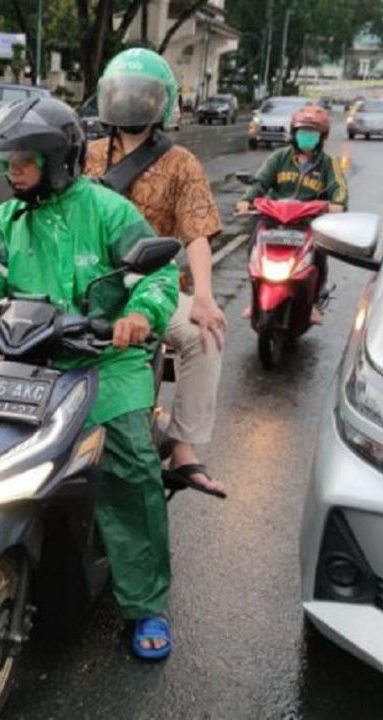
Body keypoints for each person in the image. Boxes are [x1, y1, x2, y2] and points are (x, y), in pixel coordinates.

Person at [0, 97, 180, 660]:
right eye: (7, 160)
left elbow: (159, 276)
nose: (10, 170)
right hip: (26, 359)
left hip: (103, 361)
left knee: (130, 462)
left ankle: (144, 602)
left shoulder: (108, 212)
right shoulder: (7, 219)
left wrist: (140, 315)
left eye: (22, 159)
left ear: (57, 158)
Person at [84, 48, 227, 498]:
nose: (131, 103)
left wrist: (203, 295)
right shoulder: (84, 156)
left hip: (152, 286)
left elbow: (197, 233)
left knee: (204, 336)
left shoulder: (181, 162)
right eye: (123, 93)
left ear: (160, 104)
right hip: (86, 282)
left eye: (141, 95)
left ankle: (183, 448)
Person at [234, 104, 348, 324]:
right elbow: (260, 181)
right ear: (294, 134)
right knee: (254, 250)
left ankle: (313, 303)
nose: (307, 137)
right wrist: (246, 200)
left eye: (312, 134)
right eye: (303, 132)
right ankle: (255, 299)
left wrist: (338, 203)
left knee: (320, 255)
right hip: (274, 219)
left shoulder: (328, 164)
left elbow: (339, 187)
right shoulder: (279, 158)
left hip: (308, 223)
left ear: (322, 137)